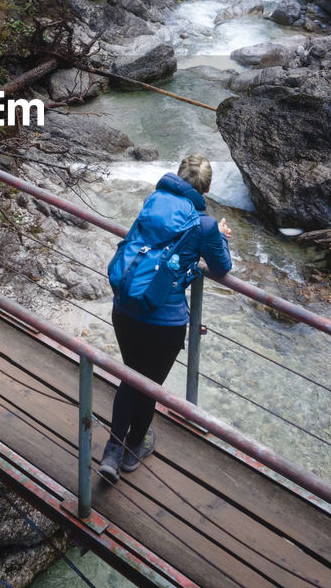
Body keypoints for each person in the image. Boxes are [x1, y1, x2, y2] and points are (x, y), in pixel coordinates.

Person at [99, 153, 232, 483]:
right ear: (207, 188)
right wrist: (221, 237)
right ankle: (131, 450)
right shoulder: (204, 225)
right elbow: (221, 267)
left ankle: (112, 452)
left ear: (176, 175)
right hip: (164, 322)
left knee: (131, 377)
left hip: (126, 308)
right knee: (149, 385)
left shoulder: (152, 200)